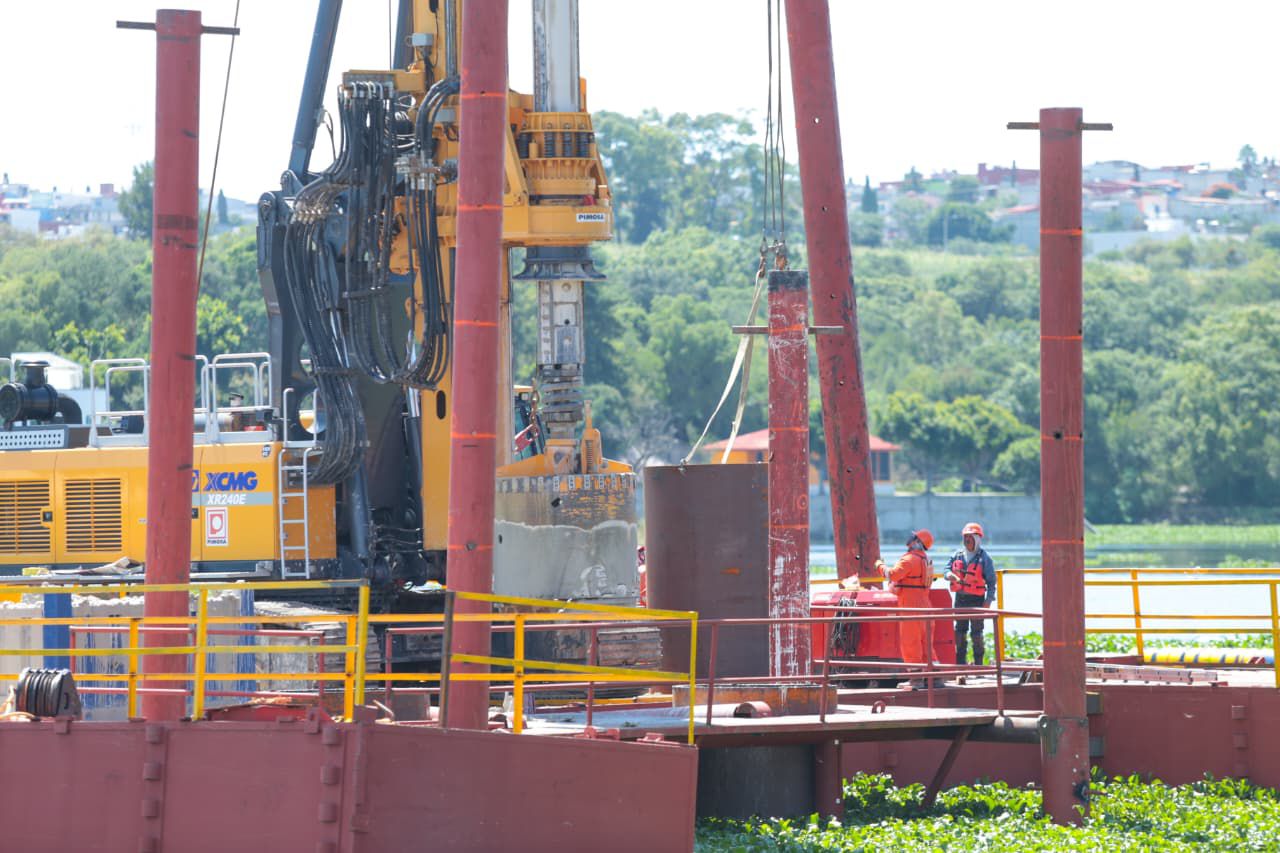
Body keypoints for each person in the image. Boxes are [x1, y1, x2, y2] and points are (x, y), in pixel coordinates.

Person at [885, 529, 934, 689]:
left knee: (910, 643)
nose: (908, 540)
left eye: (912, 538)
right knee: (926, 644)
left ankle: (916, 680)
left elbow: (892, 574)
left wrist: (879, 565)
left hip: (910, 606)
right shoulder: (927, 560)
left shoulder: (909, 560)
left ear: (916, 542)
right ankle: (935, 677)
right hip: (925, 606)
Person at [944, 522, 996, 667]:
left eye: (970, 537)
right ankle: (960, 664)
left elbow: (992, 583)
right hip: (960, 599)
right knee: (959, 632)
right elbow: (946, 569)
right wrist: (950, 575)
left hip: (977, 600)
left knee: (977, 633)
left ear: (977, 539)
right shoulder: (957, 555)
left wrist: (988, 602)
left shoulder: (985, 558)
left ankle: (978, 664)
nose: (967, 541)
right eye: (965, 537)